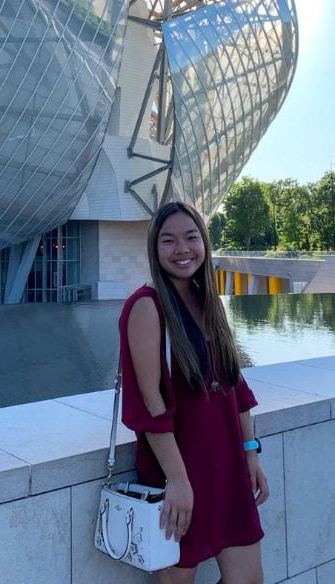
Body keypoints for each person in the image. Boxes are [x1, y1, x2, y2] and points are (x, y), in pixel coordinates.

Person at [120, 202, 269, 584]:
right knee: (178, 580)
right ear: (155, 250)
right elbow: (148, 404)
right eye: (168, 241)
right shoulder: (146, 306)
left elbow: (235, 385)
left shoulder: (207, 300)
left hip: (226, 467)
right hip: (180, 471)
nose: (182, 249)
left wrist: (250, 453)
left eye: (191, 237)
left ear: (204, 242)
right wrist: (178, 481)